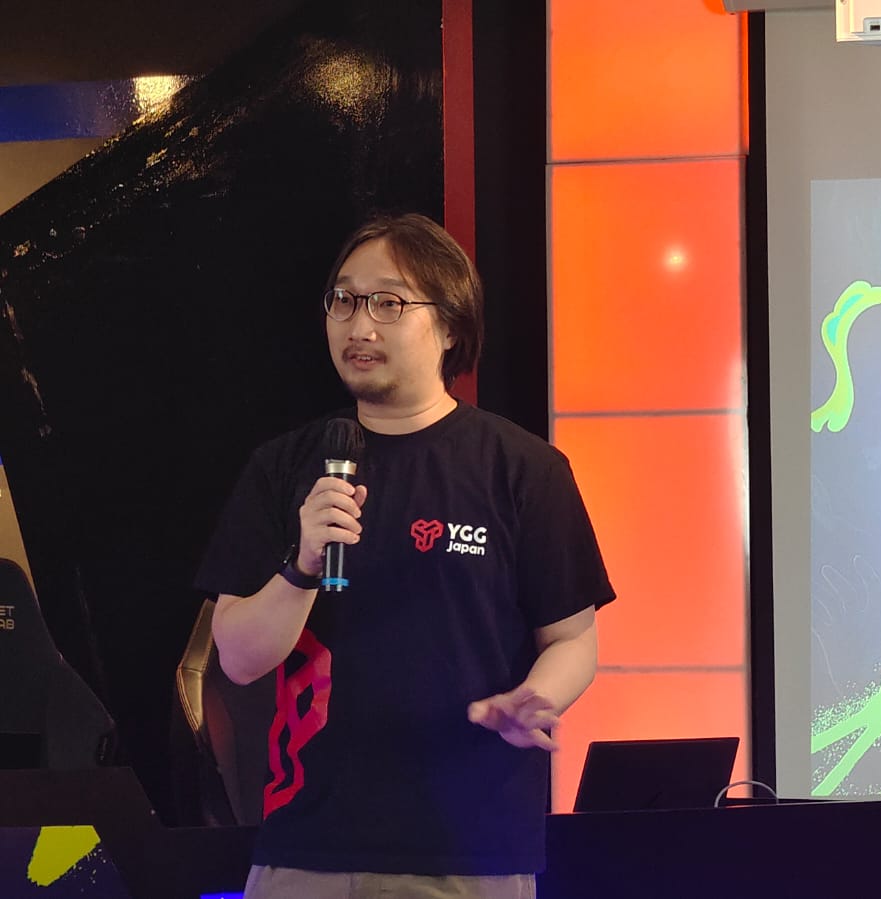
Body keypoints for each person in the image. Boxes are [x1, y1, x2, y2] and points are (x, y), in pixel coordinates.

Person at [195, 213, 614, 898]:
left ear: (450, 325)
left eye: (388, 303)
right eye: (344, 299)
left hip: (469, 844)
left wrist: (535, 698)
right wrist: (302, 564)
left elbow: (572, 637)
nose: (359, 326)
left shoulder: (523, 468)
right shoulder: (284, 467)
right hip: (310, 840)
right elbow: (239, 658)